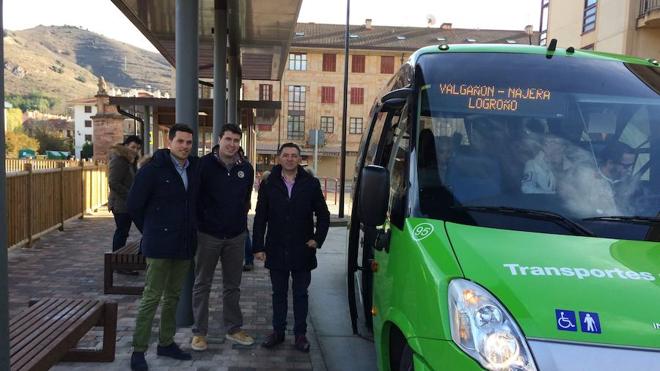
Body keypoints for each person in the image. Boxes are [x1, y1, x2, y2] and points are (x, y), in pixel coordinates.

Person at [127, 124, 198, 371]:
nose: (185, 146)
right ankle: (138, 350)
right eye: (180, 141)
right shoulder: (152, 170)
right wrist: (151, 230)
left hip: (184, 243)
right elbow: (134, 205)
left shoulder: (194, 168)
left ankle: (166, 343)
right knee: (152, 297)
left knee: (173, 297)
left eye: (189, 142)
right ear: (169, 142)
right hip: (158, 244)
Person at [252, 143, 330, 353]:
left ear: (299, 159)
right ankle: (278, 332)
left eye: (294, 155)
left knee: (300, 294)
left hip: (302, 249)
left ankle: (300, 334)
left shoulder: (310, 184)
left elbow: (324, 215)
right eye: (285, 155)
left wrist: (317, 239)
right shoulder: (269, 184)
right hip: (276, 248)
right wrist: (258, 246)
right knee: (278, 294)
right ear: (279, 158)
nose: (289, 159)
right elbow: (260, 218)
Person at [191, 124, 255, 351]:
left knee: (233, 285)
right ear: (219, 140)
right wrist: (200, 225)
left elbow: (246, 200)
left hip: (236, 236)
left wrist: (240, 226)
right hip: (208, 235)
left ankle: (234, 329)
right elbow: (194, 199)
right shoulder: (203, 165)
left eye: (236, 140)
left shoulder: (246, 169)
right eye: (228, 139)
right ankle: (199, 333)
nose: (232, 144)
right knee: (202, 284)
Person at [108, 135, 142, 268]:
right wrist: (130, 196)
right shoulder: (119, 160)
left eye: (138, 148)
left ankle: (124, 262)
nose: (135, 150)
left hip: (129, 204)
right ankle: (117, 263)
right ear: (126, 146)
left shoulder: (130, 160)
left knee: (124, 232)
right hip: (121, 205)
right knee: (122, 233)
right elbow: (113, 182)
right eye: (133, 147)